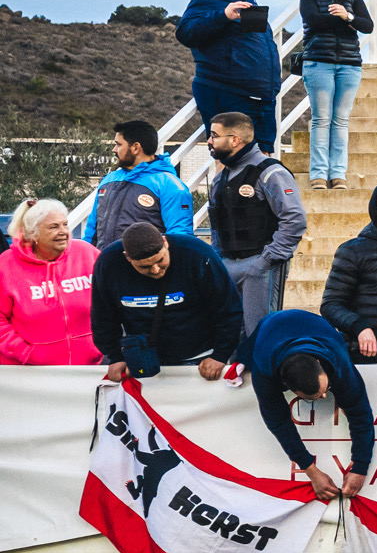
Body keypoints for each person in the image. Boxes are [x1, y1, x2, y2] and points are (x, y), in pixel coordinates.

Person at [242, 308, 377, 498]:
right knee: (240, 362)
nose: (324, 398)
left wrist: (360, 467)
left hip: (319, 328)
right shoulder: (264, 371)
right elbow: (279, 423)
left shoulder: (338, 361)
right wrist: (311, 471)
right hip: (269, 328)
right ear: (287, 388)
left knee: (351, 396)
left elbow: (360, 413)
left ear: (320, 365)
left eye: (326, 389)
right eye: (312, 398)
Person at [91, 223, 240, 381]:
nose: (155, 270)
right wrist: (115, 357)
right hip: (143, 361)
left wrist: (220, 355)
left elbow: (229, 308)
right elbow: (103, 317)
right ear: (127, 257)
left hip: (201, 358)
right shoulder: (108, 263)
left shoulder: (197, 254)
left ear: (165, 243)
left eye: (160, 260)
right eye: (145, 267)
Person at [201, 109, 304, 335]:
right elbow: (218, 225)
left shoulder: (271, 172)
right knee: (228, 335)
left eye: (214, 135)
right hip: (228, 265)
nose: (209, 141)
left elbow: (294, 219)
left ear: (235, 140)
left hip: (260, 266)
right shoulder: (221, 178)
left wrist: (266, 261)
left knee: (259, 334)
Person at [178, 0, 281, 152]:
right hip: (228, 93)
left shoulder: (248, 0)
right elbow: (186, 32)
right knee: (229, 158)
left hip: (261, 98)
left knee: (262, 159)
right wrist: (223, 15)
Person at [293, 0, 370, 189]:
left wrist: (346, 16)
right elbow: (314, 21)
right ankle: (318, 174)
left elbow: (367, 25)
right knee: (321, 119)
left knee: (341, 120)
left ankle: (338, 175)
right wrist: (342, 18)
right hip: (318, 63)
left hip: (349, 65)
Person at [0, 200, 97, 365]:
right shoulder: (6, 265)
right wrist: (26, 353)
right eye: (54, 227)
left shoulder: (87, 254)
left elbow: (113, 298)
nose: (63, 231)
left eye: (65, 225)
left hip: (88, 369)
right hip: (27, 372)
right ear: (33, 233)